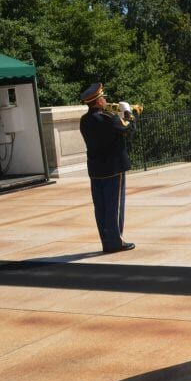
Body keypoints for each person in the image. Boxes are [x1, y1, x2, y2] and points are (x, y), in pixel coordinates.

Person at [78, 82, 136, 253]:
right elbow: (130, 130)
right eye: (103, 98)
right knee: (114, 206)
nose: (105, 100)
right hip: (113, 168)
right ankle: (116, 242)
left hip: (95, 170)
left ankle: (107, 241)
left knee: (101, 208)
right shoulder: (109, 118)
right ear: (98, 101)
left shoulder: (84, 120)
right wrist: (128, 113)